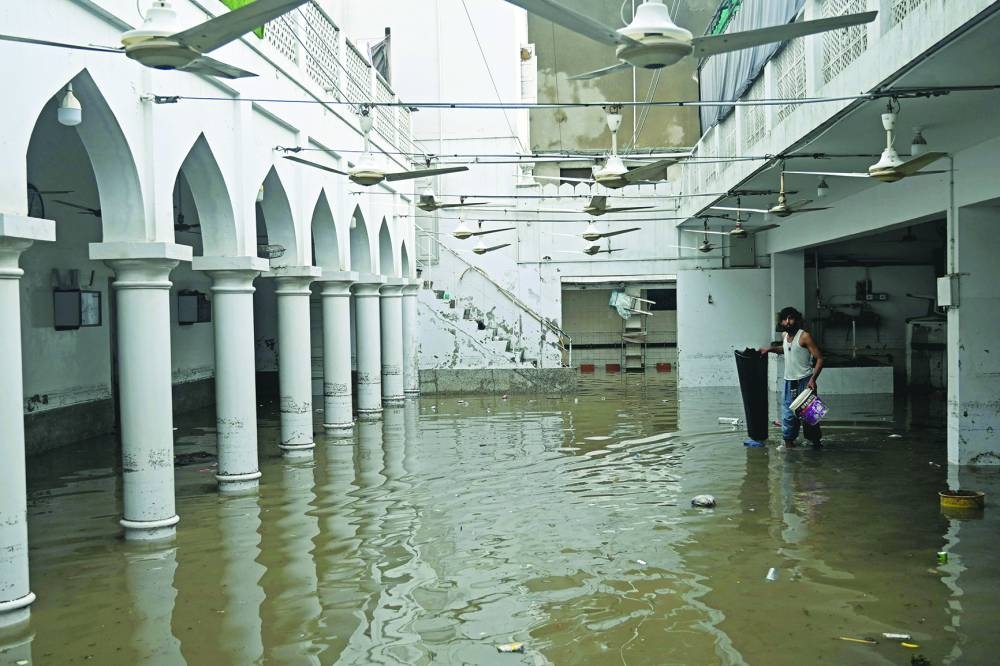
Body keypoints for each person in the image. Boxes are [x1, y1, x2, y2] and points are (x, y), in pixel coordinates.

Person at [758, 306, 823, 448]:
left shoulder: (805, 336)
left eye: (791, 318)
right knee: (788, 417)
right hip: (789, 382)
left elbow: (820, 359)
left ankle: (816, 449)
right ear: (781, 322)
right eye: (785, 319)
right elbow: (787, 350)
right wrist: (770, 349)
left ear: (797, 320)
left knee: (811, 419)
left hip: (805, 381)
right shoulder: (784, 336)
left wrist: (813, 379)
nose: (788, 322)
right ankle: (789, 451)